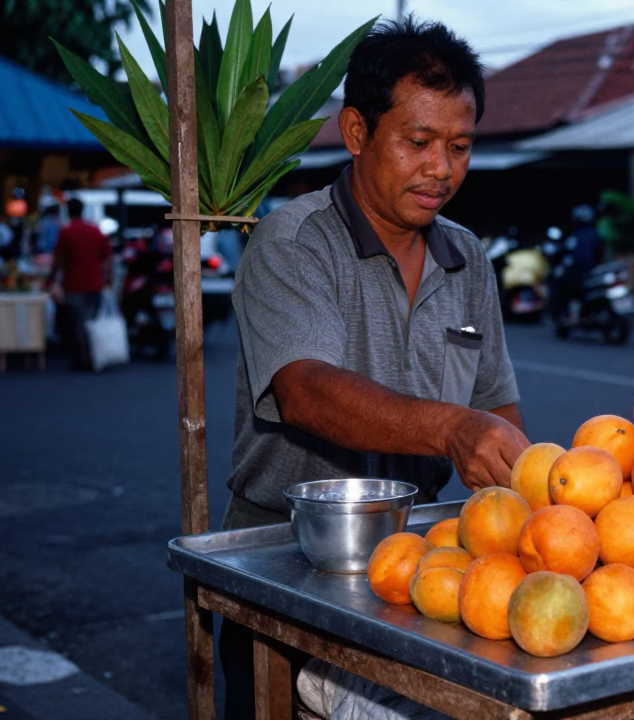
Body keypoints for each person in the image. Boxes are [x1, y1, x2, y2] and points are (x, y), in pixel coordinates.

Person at [220, 16, 527, 720]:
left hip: (428, 561)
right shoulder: (293, 241)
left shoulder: (467, 257)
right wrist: (452, 431)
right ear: (357, 133)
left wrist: (543, 505)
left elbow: (496, 407)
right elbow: (303, 391)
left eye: (459, 147)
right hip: (290, 557)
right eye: (418, 142)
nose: (442, 169)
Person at [48, 198, 112, 370]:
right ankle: (95, 355)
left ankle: (84, 359)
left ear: (69, 211)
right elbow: (108, 258)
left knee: (77, 324)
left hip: (74, 285)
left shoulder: (67, 232)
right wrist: (109, 281)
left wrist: (51, 280)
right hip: (95, 284)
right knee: (92, 323)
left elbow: (57, 261)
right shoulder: (94, 230)